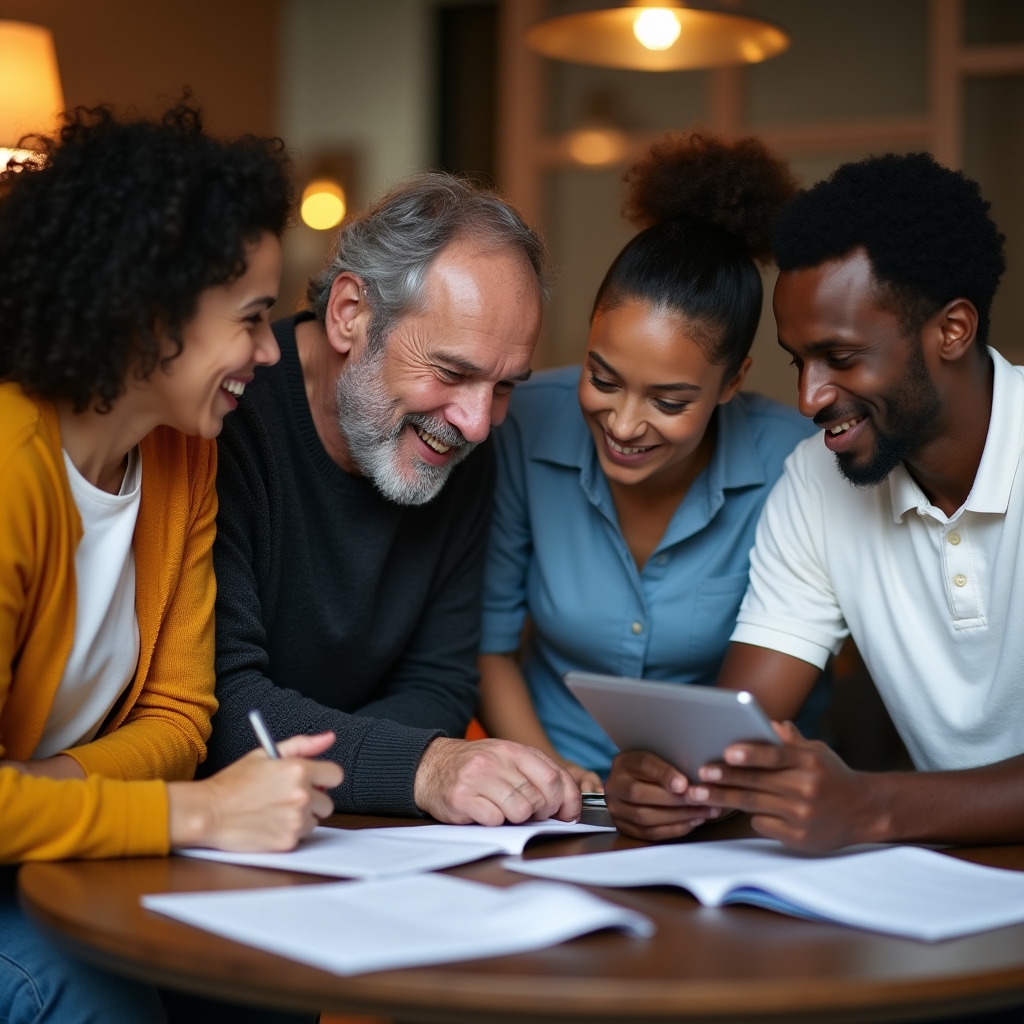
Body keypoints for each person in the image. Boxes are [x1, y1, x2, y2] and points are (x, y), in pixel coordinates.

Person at [0, 103, 342, 1024]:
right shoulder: (7, 469)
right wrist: (197, 815)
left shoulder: (184, 451)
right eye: (254, 319)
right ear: (149, 318)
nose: (270, 354)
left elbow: (182, 716)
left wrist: (39, 792)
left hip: (54, 849)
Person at [605, 151, 1024, 852]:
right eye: (799, 361)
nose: (809, 398)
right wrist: (672, 783)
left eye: (842, 357)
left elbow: (871, 806)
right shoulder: (816, 481)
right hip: (952, 889)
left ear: (951, 329)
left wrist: (876, 806)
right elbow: (737, 736)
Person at [205, 173, 581, 825]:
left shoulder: (465, 442)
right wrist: (421, 766)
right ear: (351, 314)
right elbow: (218, 705)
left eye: (504, 387)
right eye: (453, 373)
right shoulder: (224, 419)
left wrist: (376, 767)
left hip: (350, 833)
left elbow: (438, 683)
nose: (477, 422)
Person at [476, 133, 816, 793]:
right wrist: (556, 777)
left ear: (731, 381)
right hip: (554, 790)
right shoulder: (524, 422)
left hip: (720, 797)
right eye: (603, 379)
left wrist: (682, 794)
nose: (625, 424)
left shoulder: (791, 464)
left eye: (668, 400)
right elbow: (488, 648)